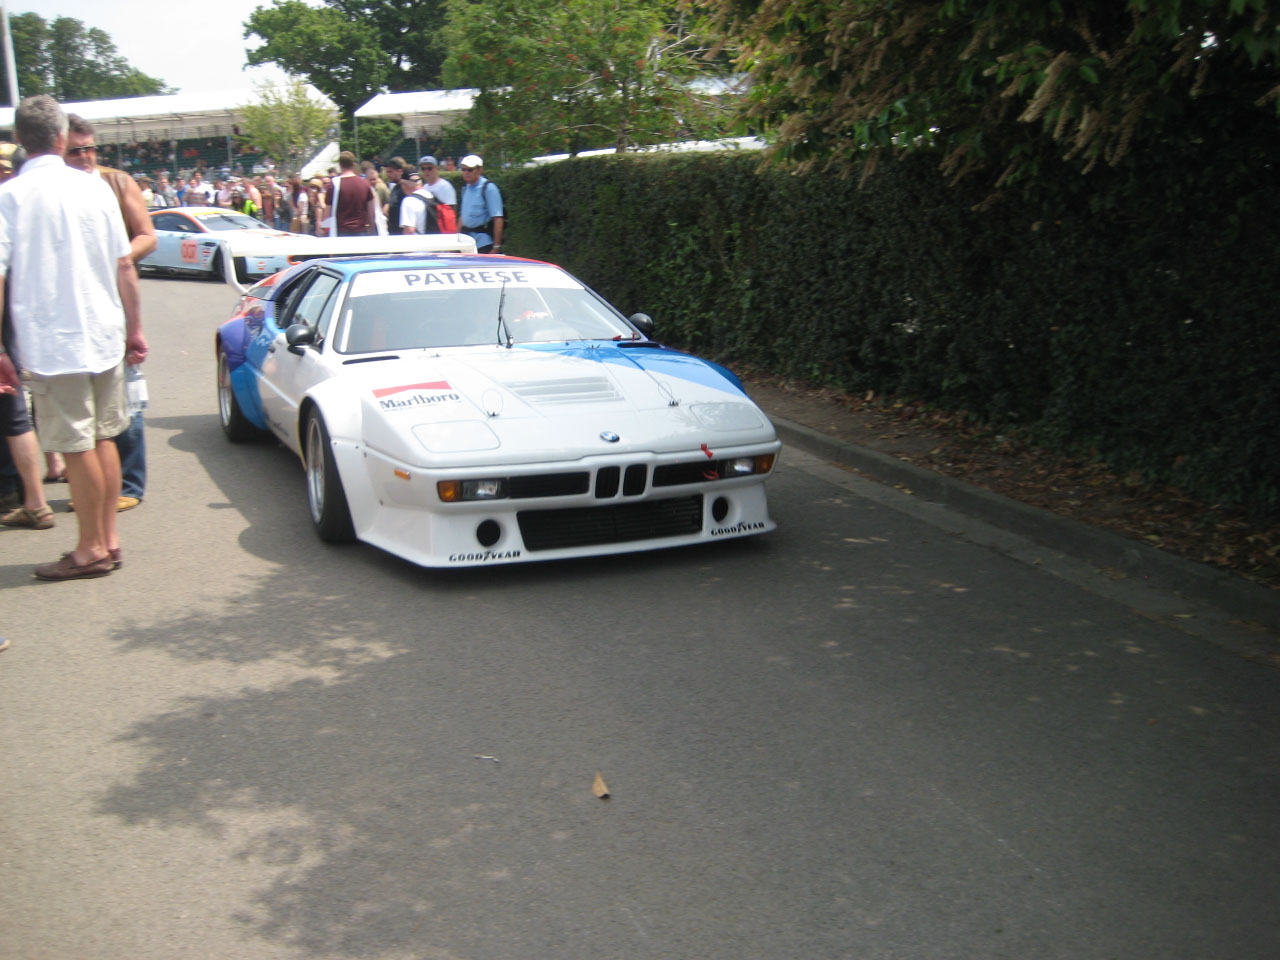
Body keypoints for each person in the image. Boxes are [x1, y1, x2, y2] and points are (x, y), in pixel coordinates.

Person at [0, 95, 148, 580]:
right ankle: (108, 540)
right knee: (104, 438)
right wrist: (135, 328)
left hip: (54, 340)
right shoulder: (96, 188)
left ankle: (90, 548)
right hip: (103, 330)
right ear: (62, 138)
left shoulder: (12, 196)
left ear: (20, 140)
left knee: (78, 446)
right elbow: (124, 263)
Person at [65, 114, 157, 514]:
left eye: (90, 148)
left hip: (114, 298)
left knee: (125, 391)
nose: (86, 156)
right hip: (69, 303)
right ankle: (91, 484)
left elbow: (147, 236)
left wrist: (113, 258)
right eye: (76, 150)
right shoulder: (55, 188)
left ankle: (130, 483)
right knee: (79, 399)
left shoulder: (117, 182)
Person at [324, 151, 381, 237]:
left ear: (340, 165)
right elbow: (371, 214)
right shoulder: (365, 184)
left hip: (340, 234)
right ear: (353, 164)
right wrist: (372, 232)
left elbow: (327, 214)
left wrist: (326, 231)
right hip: (361, 233)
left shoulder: (333, 185)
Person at [458, 154, 503, 253]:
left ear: (479, 170)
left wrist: (496, 247)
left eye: (470, 170)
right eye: (463, 169)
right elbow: (463, 216)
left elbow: (498, 218)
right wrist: (456, 239)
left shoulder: (489, 188)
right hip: (466, 243)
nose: (466, 172)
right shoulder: (465, 189)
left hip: (484, 244)